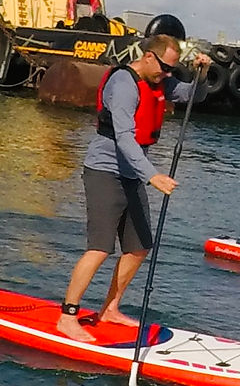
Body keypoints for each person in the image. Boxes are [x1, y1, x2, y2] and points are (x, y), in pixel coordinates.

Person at [57, 34, 211, 342]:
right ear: (150, 57)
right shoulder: (124, 84)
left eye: (173, 70)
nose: (168, 75)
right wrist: (153, 175)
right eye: (166, 68)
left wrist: (202, 74)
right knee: (100, 248)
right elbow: (125, 139)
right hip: (105, 172)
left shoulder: (159, 81)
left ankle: (110, 308)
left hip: (132, 174)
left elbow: (194, 96)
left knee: (139, 246)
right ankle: (67, 316)